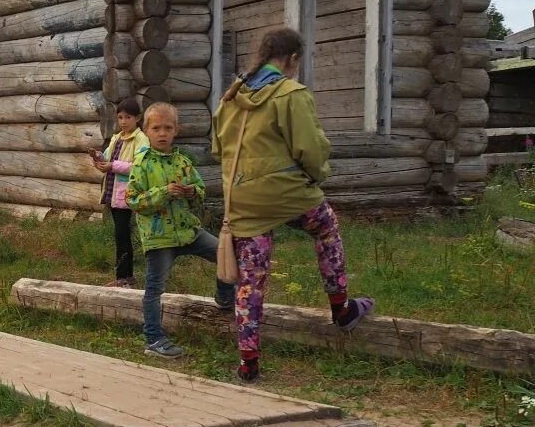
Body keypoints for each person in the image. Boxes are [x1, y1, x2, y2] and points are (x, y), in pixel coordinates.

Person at [212, 27, 375, 383]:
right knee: (326, 227)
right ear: (292, 59)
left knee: (250, 280)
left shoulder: (230, 97)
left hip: (242, 200)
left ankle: (248, 363)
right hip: (287, 195)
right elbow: (310, 150)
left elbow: (217, 149)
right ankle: (342, 309)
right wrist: (315, 177)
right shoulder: (291, 94)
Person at [127, 102, 235, 358]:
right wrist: (163, 193)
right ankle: (153, 339)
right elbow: (133, 200)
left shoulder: (183, 162)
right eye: (156, 128)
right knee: (155, 288)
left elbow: (200, 193)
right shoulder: (141, 164)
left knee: (224, 254)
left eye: (168, 128)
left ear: (176, 130)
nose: (162, 133)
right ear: (147, 130)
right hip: (159, 237)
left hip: (188, 232)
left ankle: (224, 297)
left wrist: (190, 192)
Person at [92, 96, 149, 287]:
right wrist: (98, 157)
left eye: (128, 117)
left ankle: (125, 277)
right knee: (120, 234)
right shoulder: (117, 138)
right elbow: (107, 157)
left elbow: (139, 166)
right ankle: (125, 276)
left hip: (128, 195)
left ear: (138, 118)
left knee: (123, 234)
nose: (123, 121)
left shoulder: (141, 140)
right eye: (120, 118)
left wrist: (112, 166)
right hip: (115, 194)